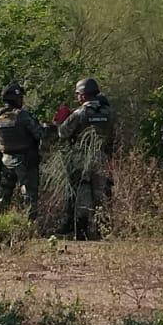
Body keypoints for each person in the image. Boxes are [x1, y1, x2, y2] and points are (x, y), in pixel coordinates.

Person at [56, 77, 116, 239]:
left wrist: (61, 120)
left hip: (81, 159)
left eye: (78, 95)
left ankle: (81, 233)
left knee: (82, 196)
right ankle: (103, 231)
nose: (77, 98)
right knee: (102, 195)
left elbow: (63, 133)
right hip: (102, 157)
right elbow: (113, 135)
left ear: (83, 95)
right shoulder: (109, 112)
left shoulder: (80, 113)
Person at [0, 84, 44, 213]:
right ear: (15, 99)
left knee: (3, 196)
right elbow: (39, 134)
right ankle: (29, 226)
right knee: (29, 196)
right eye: (20, 97)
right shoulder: (23, 116)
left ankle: (0, 224)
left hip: (5, 161)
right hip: (25, 161)